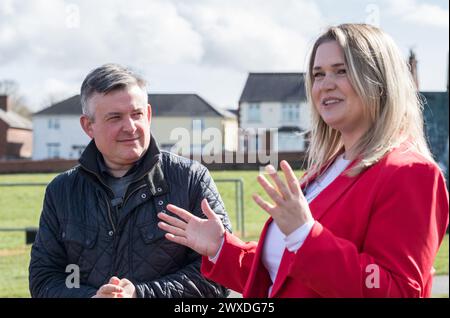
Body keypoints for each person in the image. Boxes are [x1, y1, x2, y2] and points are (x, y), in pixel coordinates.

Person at [157, 24, 449, 298]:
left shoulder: (411, 173)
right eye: (318, 74)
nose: (325, 84)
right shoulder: (325, 171)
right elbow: (283, 278)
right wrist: (221, 247)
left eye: (341, 71)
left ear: (379, 82)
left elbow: (398, 290)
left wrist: (306, 235)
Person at [29, 63, 231, 298]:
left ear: (148, 114)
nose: (130, 127)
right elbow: (44, 279)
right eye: (115, 118)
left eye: (136, 114)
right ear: (88, 126)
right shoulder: (62, 191)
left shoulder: (190, 180)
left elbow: (219, 277)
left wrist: (141, 295)